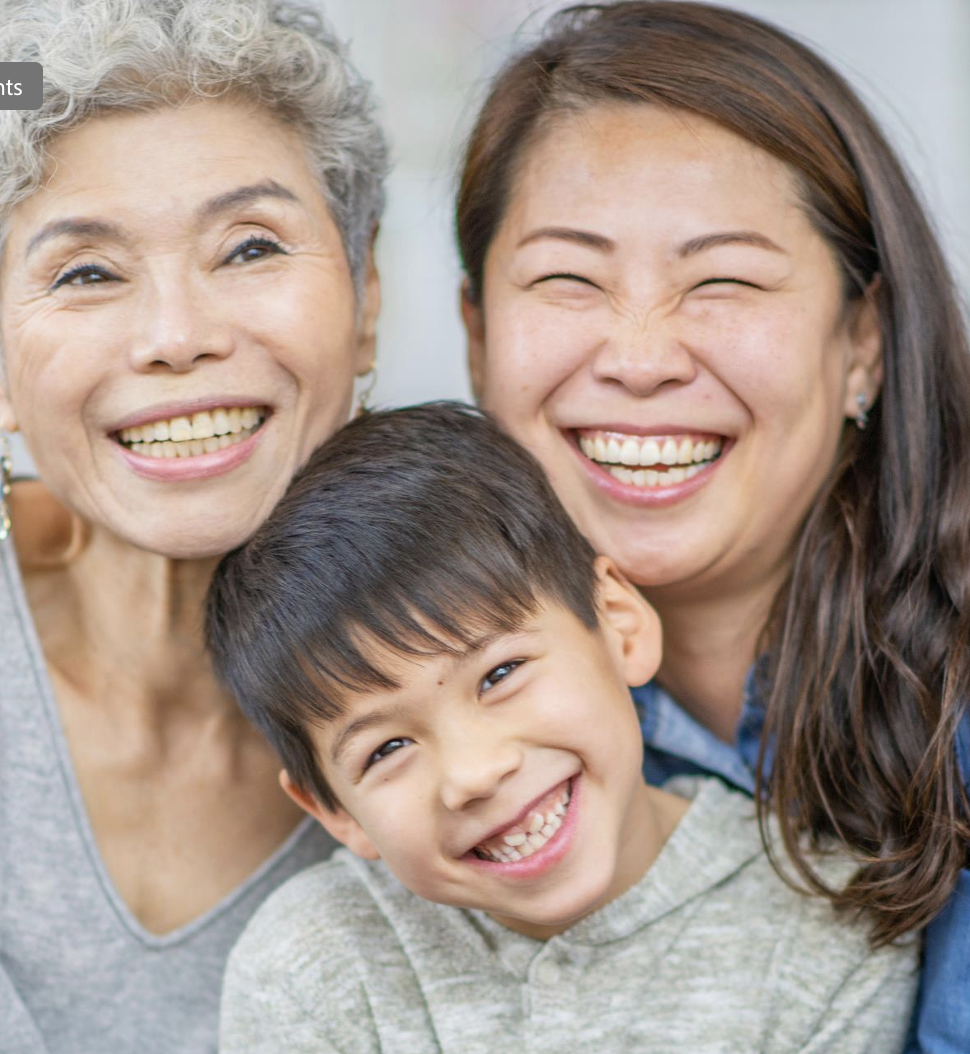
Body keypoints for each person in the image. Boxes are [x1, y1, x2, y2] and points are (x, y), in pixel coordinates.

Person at [454, 4, 970, 1051]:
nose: (640, 358)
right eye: (566, 278)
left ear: (862, 343)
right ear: (475, 338)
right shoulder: (434, 723)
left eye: (723, 278)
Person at [207, 402, 917, 1054]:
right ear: (334, 811)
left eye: (499, 674)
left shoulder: (827, 926)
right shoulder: (310, 965)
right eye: (387, 748)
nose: (473, 772)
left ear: (619, 623)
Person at [0, 0, 387, 1050]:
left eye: (249, 247)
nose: (177, 336)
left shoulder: (505, 684)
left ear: (367, 296)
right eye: (85, 270)